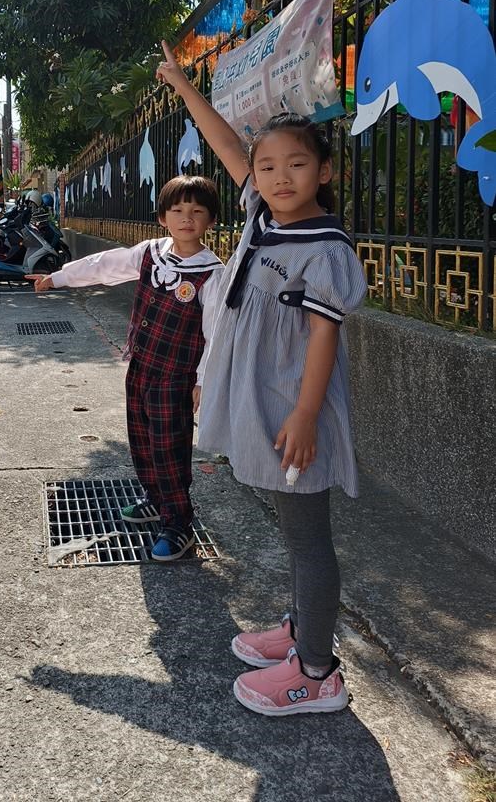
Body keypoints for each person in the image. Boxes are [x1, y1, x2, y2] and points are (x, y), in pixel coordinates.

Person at [156, 40, 367, 716]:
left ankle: (318, 673)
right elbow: (226, 145)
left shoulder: (325, 248)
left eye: (296, 165)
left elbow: (323, 336)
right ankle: (302, 630)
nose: (278, 177)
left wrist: (305, 416)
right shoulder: (262, 217)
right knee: (290, 526)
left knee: (308, 539)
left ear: (323, 171)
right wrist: (184, 88)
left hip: (292, 407)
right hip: (264, 400)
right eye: (267, 166)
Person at [26, 174, 224, 561]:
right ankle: (156, 499)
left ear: (211, 220)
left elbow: (216, 334)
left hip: (176, 376)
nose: (187, 218)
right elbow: (104, 266)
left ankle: (178, 523)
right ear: (162, 217)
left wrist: (204, 381)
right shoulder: (151, 252)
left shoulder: (212, 274)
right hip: (142, 366)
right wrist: (59, 278)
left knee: (170, 448)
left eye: (197, 211)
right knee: (142, 440)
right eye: (177, 210)